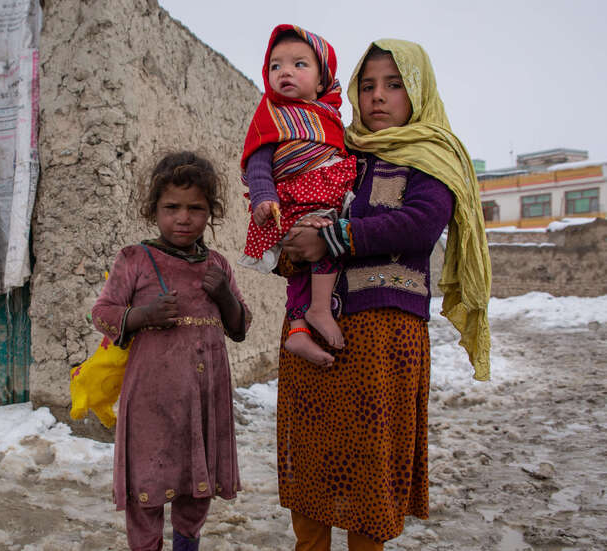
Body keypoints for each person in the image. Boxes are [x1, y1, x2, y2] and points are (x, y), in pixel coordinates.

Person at [274, 40, 492, 550]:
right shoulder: (332, 151)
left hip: (384, 342)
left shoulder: (432, 159)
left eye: (394, 84)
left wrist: (333, 237)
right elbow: (292, 215)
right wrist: (291, 242)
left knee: (370, 473)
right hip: (310, 335)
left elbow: (418, 225)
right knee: (312, 466)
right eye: (368, 85)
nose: (378, 96)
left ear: (417, 91)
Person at [91, 151, 251, 551]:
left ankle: (186, 544)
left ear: (210, 212)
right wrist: (143, 315)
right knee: (147, 484)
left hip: (203, 399)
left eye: (196, 208)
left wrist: (224, 294)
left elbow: (240, 328)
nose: (183, 218)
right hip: (151, 399)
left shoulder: (217, 265)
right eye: (172, 208)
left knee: (193, 485)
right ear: (154, 209)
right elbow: (103, 313)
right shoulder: (135, 259)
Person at [239, 25, 357, 367]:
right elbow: (259, 165)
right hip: (291, 204)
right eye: (276, 66)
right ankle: (317, 310)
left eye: (299, 64)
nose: (285, 71)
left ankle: (298, 329)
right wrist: (263, 198)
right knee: (314, 244)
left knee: (310, 257)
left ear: (322, 81)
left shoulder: (331, 119)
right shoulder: (270, 117)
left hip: (326, 199)